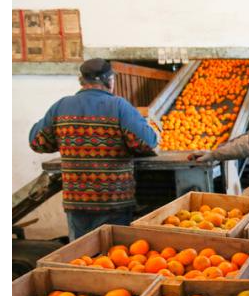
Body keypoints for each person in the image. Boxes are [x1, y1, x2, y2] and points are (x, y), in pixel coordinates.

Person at [29, 58, 158, 240]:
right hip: (113, 199)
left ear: (82, 80)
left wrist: (67, 140)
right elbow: (147, 142)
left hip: (77, 201)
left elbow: (37, 142)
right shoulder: (118, 106)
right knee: (114, 253)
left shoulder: (61, 106)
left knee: (81, 252)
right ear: (109, 80)